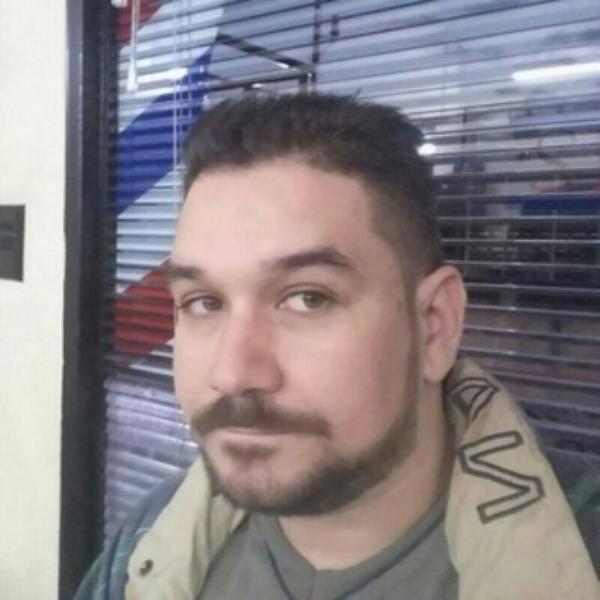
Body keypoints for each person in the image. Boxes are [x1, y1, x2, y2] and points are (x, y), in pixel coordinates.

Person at [76, 94, 599, 600]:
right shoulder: (146, 543)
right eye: (204, 302)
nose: (233, 373)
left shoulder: (582, 553)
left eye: (308, 298)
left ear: (434, 326)